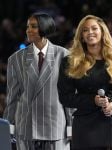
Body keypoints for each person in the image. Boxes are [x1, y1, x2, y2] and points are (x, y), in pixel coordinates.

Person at [57, 15, 112, 150]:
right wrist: (92, 100)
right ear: (81, 36)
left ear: (103, 32)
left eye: (94, 28)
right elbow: (65, 97)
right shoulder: (70, 62)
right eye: (85, 30)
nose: (90, 32)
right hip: (86, 128)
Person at [3, 11, 72, 150]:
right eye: (28, 26)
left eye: (33, 26)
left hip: (55, 127)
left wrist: (72, 127)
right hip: (26, 127)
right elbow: (12, 98)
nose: (28, 30)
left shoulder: (64, 55)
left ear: (45, 28)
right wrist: (8, 127)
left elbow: (69, 96)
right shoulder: (15, 59)